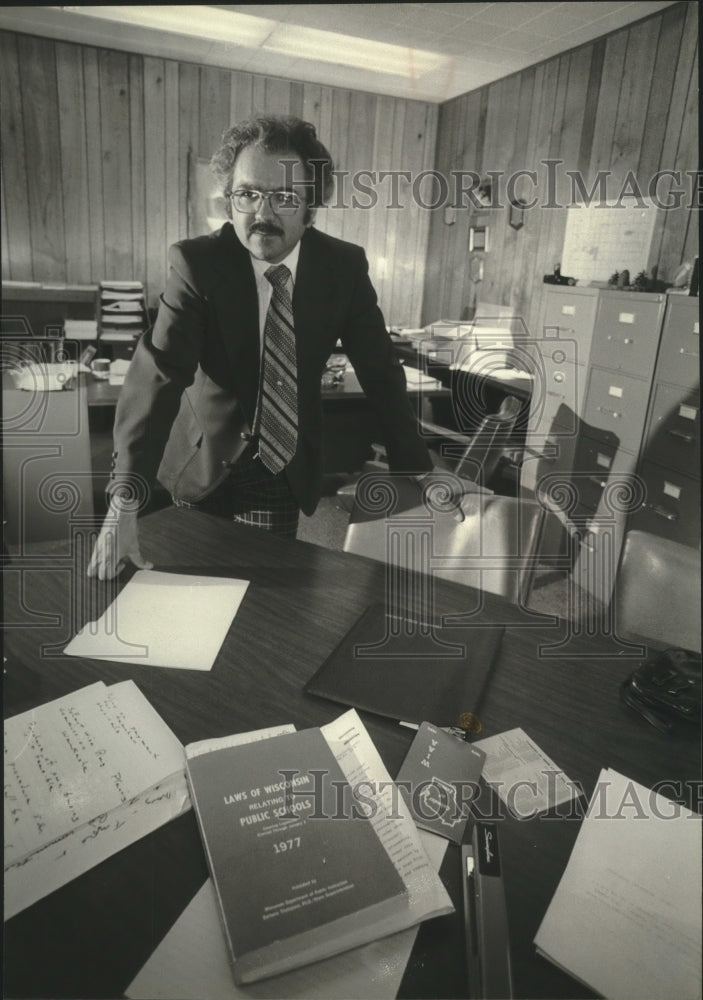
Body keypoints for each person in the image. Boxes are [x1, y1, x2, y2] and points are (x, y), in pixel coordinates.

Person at [87, 115, 433, 579]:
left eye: (285, 197)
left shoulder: (343, 268)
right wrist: (124, 498)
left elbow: (380, 370)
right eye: (247, 193)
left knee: (266, 592)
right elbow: (160, 374)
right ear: (229, 199)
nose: (262, 214)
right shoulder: (197, 264)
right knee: (189, 584)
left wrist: (415, 466)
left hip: (280, 460)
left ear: (312, 207)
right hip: (200, 453)